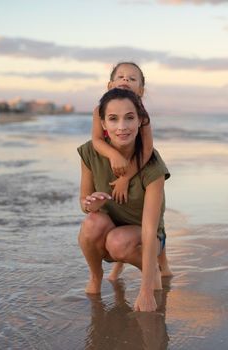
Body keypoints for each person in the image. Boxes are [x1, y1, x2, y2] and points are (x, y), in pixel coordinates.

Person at [78, 88, 169, 312]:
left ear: (140, 121)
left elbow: (149, 229)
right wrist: (91, 204)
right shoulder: (91, 152)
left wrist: (146, 291)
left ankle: (152, 270)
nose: (122, 127)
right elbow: (83, 202)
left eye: (130, 118)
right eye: (113, 119)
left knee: (117, 241)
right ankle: (95, 277)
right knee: (92, 222)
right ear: (103, 124)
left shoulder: (152, 164)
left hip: (146, 237)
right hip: (112, 230)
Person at [91, 62, 172, 280]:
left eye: (132, 78)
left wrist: (126, 177)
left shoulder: (142, 116)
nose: (126, 80)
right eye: (121, 77)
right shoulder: (100, 111)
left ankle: (161, 262)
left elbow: (146, 151)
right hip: (117, 161)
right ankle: (120, 265)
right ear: (110, 85)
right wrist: (114, 155)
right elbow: (97, 140)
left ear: (141, 91)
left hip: (141, 167)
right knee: (119, 211)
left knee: (149, 216)